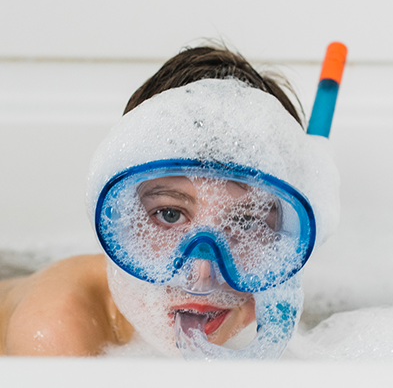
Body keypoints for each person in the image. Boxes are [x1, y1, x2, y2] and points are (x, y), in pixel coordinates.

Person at [0, 45, 340, 357]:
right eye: (169, 214)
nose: (202, 276)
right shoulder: (54, 334)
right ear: (118, 221)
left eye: (247, 223)